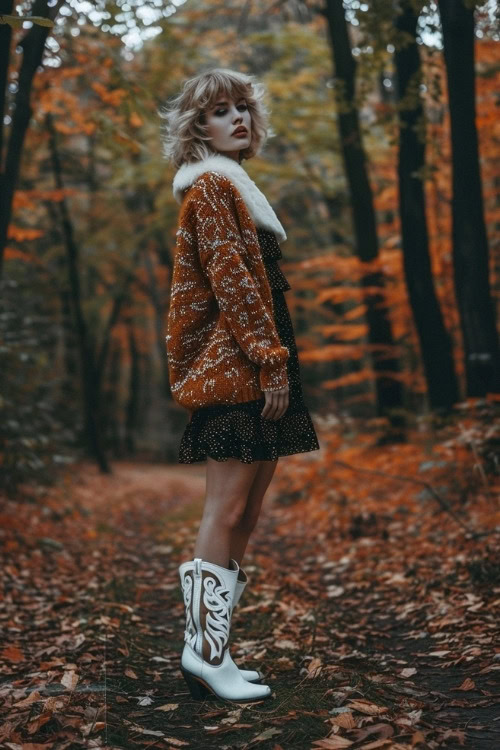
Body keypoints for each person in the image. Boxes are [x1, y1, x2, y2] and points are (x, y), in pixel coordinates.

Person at [160, 68, 320, 703]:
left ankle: (213, 649)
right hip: (239, 371)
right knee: (225, 510)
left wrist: (276, 361)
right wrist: (269, 360)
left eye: (243, 108)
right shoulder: (212, 189)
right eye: (221, 111)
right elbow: (233, 282)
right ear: (199, 127)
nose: (238, 119)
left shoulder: (237, 188)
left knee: (248, 512)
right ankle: (203, 652)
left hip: (263, 364)